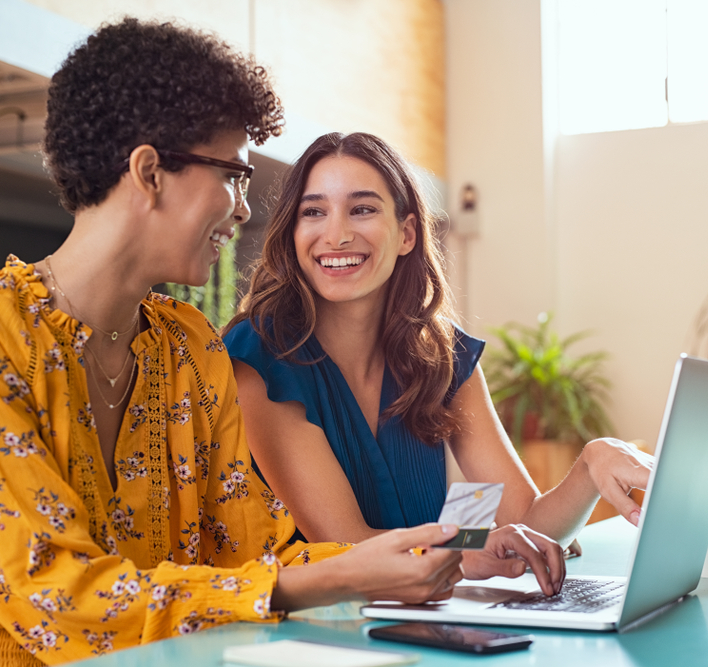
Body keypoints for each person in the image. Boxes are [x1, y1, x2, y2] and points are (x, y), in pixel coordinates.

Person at [0, 22, 465, 666]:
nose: (246, 209)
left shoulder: (186, 345)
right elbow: (48, 593)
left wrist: (417, 555)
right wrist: (334, 579)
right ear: (149, 172)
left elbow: (257, 549)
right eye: (235, 175)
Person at [223, 132, 654, 593]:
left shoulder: (440, 356)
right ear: (292, 231)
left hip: (422, 624)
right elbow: (350, 547)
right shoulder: (261, 358)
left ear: (407, 233)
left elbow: (528, 525)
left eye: (362, 208)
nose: (336, 234)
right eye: (314, 211)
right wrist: (470, 547)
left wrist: (592, 463)